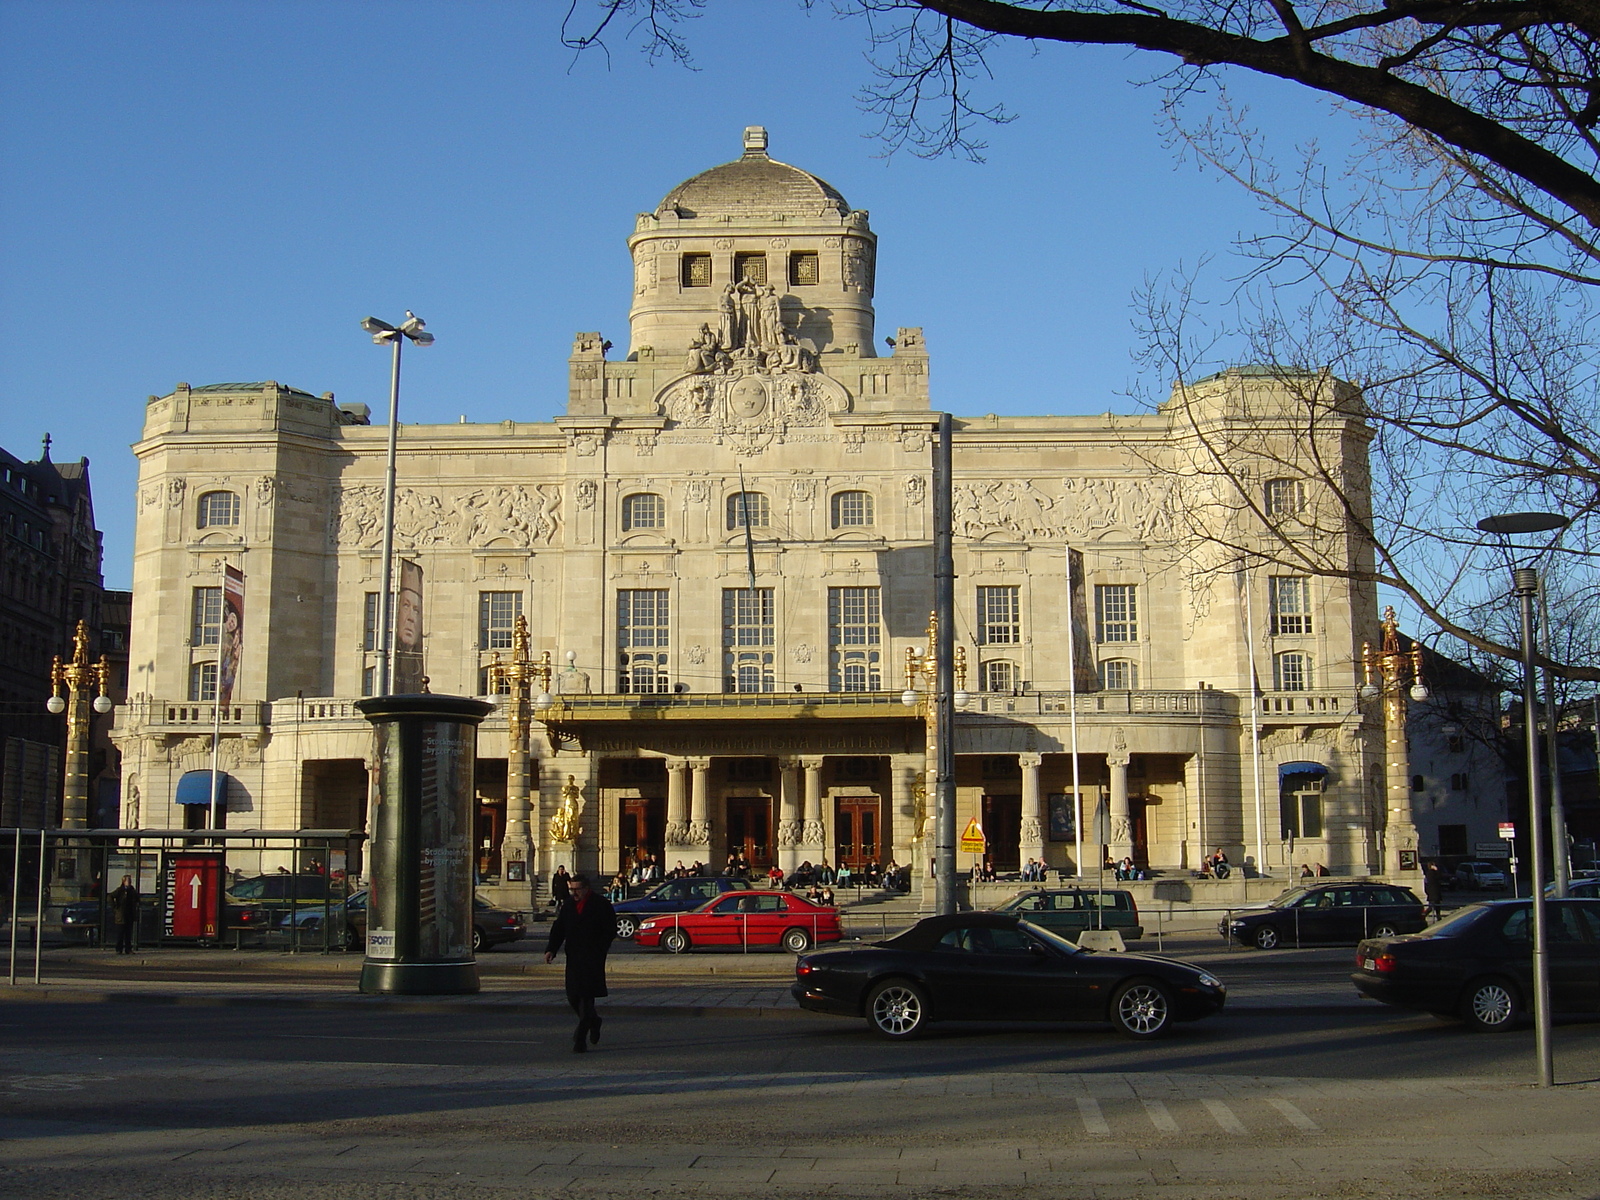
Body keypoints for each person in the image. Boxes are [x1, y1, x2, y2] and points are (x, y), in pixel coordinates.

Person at [544, 873, 617, 1053]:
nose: (574, 893)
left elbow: (610, 929)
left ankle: (581, 1038)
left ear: (586, 888)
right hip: (574, 957)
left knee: (586, 998)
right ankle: (594, 1021)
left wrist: (600, 948)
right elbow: (559, 928)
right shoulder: (568, 905)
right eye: (572, 889)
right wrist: (551, 949)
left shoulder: (600, 904)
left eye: (577, 889)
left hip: (592, 957)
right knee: (573, 996)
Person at [109, 874, 140, 955]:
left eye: (130, 881)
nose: (129, 882)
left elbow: (137, 899)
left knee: (128, 933)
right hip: (121, 915)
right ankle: (119, 949)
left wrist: (136, 906)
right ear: (124, 882)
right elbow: (110, 896)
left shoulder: (132, 890)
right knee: (120, 933)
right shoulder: (120, 890)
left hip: (129, 914)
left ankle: (128, 949)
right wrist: (115, 907)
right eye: (128, 881)